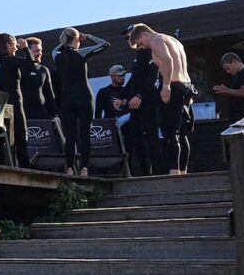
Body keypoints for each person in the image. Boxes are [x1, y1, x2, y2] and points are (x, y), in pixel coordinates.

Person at [127, 23, 194, 175]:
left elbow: (168, 60)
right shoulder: (173, 40)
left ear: (144, 35)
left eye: (141, 43)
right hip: (186, 85)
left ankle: (174, 172)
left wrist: (166, 85)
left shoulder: (156, 40)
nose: (142, 47)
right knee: (181, 132)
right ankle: (182, 171)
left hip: (174, 86)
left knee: (171, 132)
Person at [52, 27, 110, 176]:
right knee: (85, 133)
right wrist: (88, 36)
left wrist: (67, 40)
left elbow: (55, 48)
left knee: (70, 135)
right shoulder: (80, 53)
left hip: (67, 98)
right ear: (76, 40)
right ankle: (84, 168)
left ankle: (70, 167)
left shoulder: (56, 55)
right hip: (84, 96)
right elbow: (105, 44)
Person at [115, 30, 163, 175]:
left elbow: (151, 78)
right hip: (135, 106)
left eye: (132, 37)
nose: (130, 40)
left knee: (152, 138)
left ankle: (159, 173)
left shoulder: (152, 52)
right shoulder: (138, 56)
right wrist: (124, 98)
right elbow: (134, 80)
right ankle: (144, 173)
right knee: (137, 139)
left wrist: (140, 96)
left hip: (148, 102)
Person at [0, 33, 34, 167]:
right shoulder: (12, 61)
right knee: (20, 135)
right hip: (14, 101)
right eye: (14, 44)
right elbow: (31, 64)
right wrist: (25, 48)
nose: (16, 47)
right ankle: (24, 166)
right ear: (8, 45)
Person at [19, 37, 58, 120]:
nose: (40, 53)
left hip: (42, 114)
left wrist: (54, 114)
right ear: (28, 51)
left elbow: (49, 94)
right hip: (24, 114)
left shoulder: (43, 69)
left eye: (41, 50)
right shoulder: (19, 68)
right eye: (36, 51)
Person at [213, 52, 244, 122]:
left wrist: (227, 90)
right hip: (237, 116)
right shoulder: (237, 75)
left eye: (228, 68)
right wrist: (225, 92)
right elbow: (236, 92)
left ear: (235, 61)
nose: (228, 71)